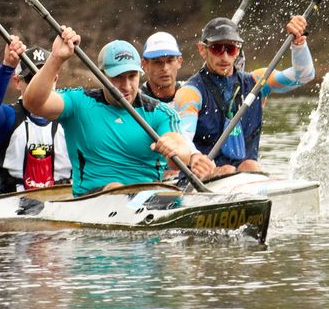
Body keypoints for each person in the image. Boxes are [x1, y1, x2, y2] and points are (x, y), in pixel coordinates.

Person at [23, 27, 214, 196]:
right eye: (118, 77)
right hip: (92, 199)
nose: (127, 86)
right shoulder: (78, 102)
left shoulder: (160, 112)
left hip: (148, 200)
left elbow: (179, 151)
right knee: (115, 187)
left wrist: (174, 149)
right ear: (102, 75)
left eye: (132, 76)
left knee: (172, 196)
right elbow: (33, 103)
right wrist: (56, 59)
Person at [174, 16, 314, 176]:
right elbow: (183, 138)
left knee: (249, 165)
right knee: (228, 169)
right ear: (202, 49)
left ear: (238, 50)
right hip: (200, 177)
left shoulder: (257, 82)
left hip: (245, 174)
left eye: (231, 49)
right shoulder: (191, 92)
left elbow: (304, 75)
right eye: (216, 48)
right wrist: (194, 156)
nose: (224, 57)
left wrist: (298, 44)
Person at [0, 37, 72, 194]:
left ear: (55, 78)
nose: (39, 85)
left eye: (46, 76)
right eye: (31, 78)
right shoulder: (7, 119)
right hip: (14, 200)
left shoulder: (71, 117)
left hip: (66, 198)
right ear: (16, 82)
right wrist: (7, 66)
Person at [140, 31, 183, 103]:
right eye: (157, 62)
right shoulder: (134, 103)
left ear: (179, 62)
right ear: (145, 65)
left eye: (170, 61)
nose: (165, 68)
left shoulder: (194, 94)